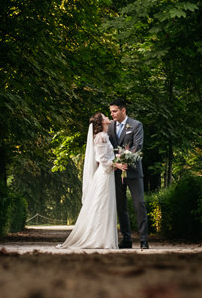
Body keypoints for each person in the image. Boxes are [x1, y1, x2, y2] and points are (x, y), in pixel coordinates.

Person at [57, 113, 119, 249]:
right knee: (101, 205)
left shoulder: (103, 136)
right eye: (105, 116)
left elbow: (106, 157)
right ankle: (98, 238)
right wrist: (116, 164)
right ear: (102, 121)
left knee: (104, 205)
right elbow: (101, 159)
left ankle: (103, 238)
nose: (108, 117)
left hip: (107, 174)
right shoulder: (101, 137)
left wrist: (117, 159)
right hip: (104, 175)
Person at [108, 98, 149, 249]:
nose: (112, 114)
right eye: (111, 111)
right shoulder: (110, 127)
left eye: (114, 111)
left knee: (139, 204)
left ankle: (144, 239)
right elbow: (107, 148)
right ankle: (127, 239)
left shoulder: (136, 125)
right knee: (121, 206)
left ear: (123, 110)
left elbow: (138, 146)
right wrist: (116, 161)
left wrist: (127, 158)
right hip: (117, 172)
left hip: (134, 171)